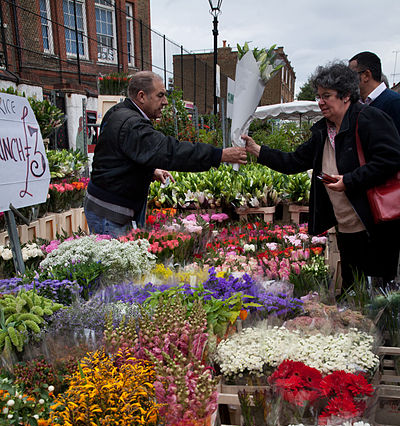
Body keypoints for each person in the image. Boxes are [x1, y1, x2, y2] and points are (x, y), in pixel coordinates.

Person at [242, 62, 400, 290]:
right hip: (346, 227)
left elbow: (391, 159)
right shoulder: (324, 131)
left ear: (346, 96)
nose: (321, 102)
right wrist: (258, 150)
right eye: (319, 96)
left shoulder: (368, 119)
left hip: (374, 226)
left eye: (327, 96)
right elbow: (293, 161)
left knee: (377, 295)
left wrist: (349, 180)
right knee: (351, 289)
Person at [85, 71, 246, 237]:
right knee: (115, 262)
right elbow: (170, 152)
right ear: (142, 96)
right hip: (111, 213)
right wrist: (219, 155)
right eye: (160, 95)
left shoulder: (120, 112)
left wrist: (149, 171)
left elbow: (118, 156)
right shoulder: (132, 124)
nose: (165, 102)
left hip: (108, 205)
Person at [349, 51, 400, 134]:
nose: (348, 80)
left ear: (366, 75)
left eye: (351, 75)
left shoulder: (395, 102)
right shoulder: (356, 105)